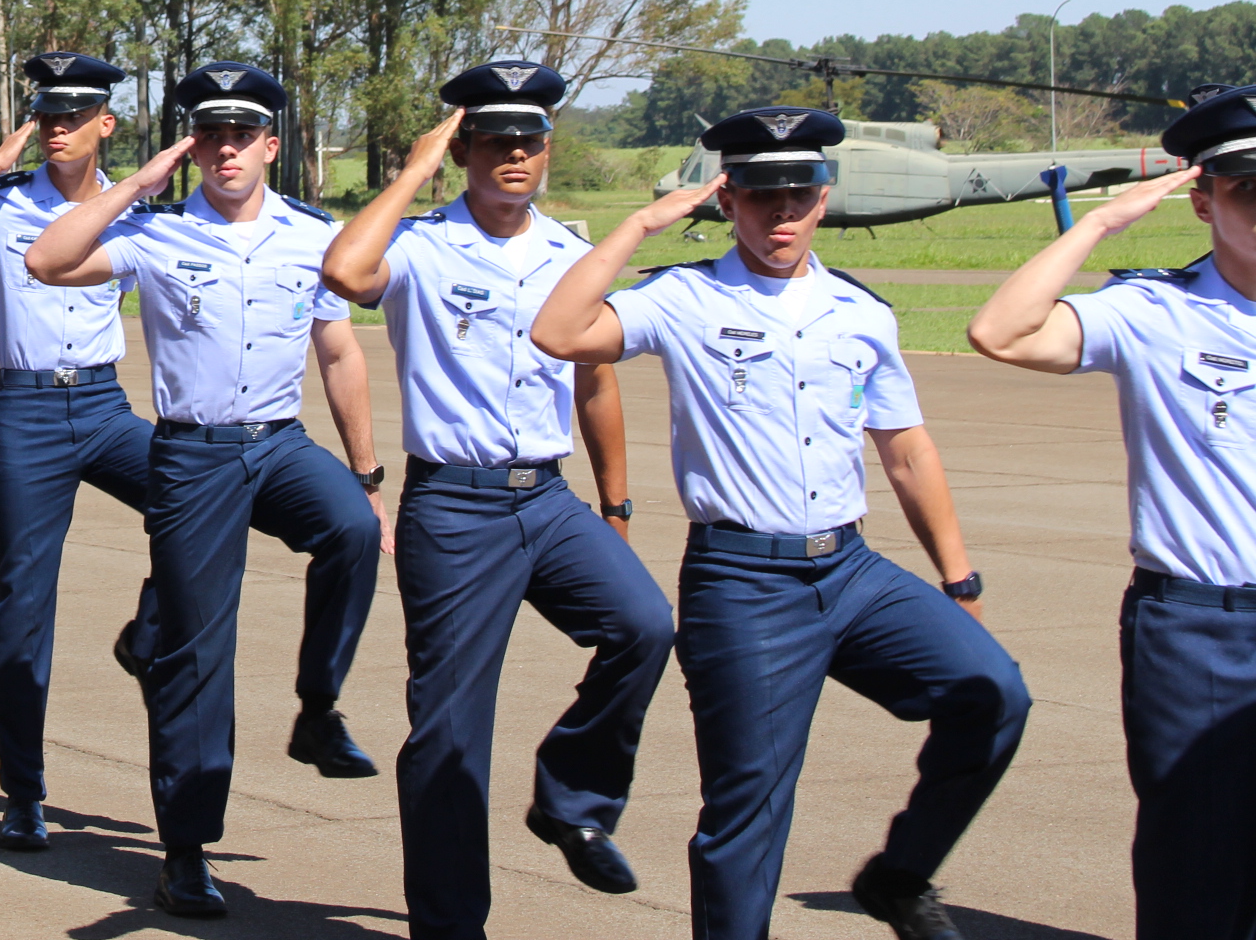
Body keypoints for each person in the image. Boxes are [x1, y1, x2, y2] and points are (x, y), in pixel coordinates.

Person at [531, 106, 1028, 940]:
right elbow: (559, 332)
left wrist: (959, 579)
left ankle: (899, 876)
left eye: (800, 194)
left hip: (851, 570)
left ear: (825, 197)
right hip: (743, 582)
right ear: (728, 200)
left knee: (993, 694)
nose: (783, 213)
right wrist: (642, 225)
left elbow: (906, 450)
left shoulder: (861, 312)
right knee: (749, 807)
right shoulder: (684, 297)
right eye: (763, 196)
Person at [318, 63, 675, 940]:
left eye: (530, 142)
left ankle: (570, 801)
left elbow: (595, 380)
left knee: (643, 625)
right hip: (455, 507)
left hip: (547, 499)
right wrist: (413, 170)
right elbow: (346, 273)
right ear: (464, 151)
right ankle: (450, 926)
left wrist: (616, 507)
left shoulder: (569, 254)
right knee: (449, 730)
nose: (514, 157)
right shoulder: (421, 245)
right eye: (494, 142)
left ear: (547, 149)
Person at [27, 61, 388, 918]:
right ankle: (185, 852)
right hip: (192, 456)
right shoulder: (154, 233)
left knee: (352, 531)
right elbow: (47, 259)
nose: (227, 150)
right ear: (191, 149)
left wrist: (367, 475)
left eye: (242, 135)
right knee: (199, 654)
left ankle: (318, 709)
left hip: (280, 443)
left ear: (271, 146)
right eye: (210, 136)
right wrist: (136, 185)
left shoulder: (311, 235)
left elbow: (340, 352)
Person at [965, 82, 1256, 940]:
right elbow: (1002, 333)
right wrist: (1096, 226)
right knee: (1196, 864)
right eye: (1249, 189)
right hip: (1203, 631)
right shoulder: (1156, 311)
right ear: (1204, 200)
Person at [0, 51, 157, 852]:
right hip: (26, 411)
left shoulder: (134, 208)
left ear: (105, 123)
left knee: (199, 497)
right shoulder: (2, 204)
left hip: (105, 404)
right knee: (25, 606)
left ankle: (147, 633)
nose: (57, 129)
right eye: (46, 117)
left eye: (73, 117)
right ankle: (23, 790)